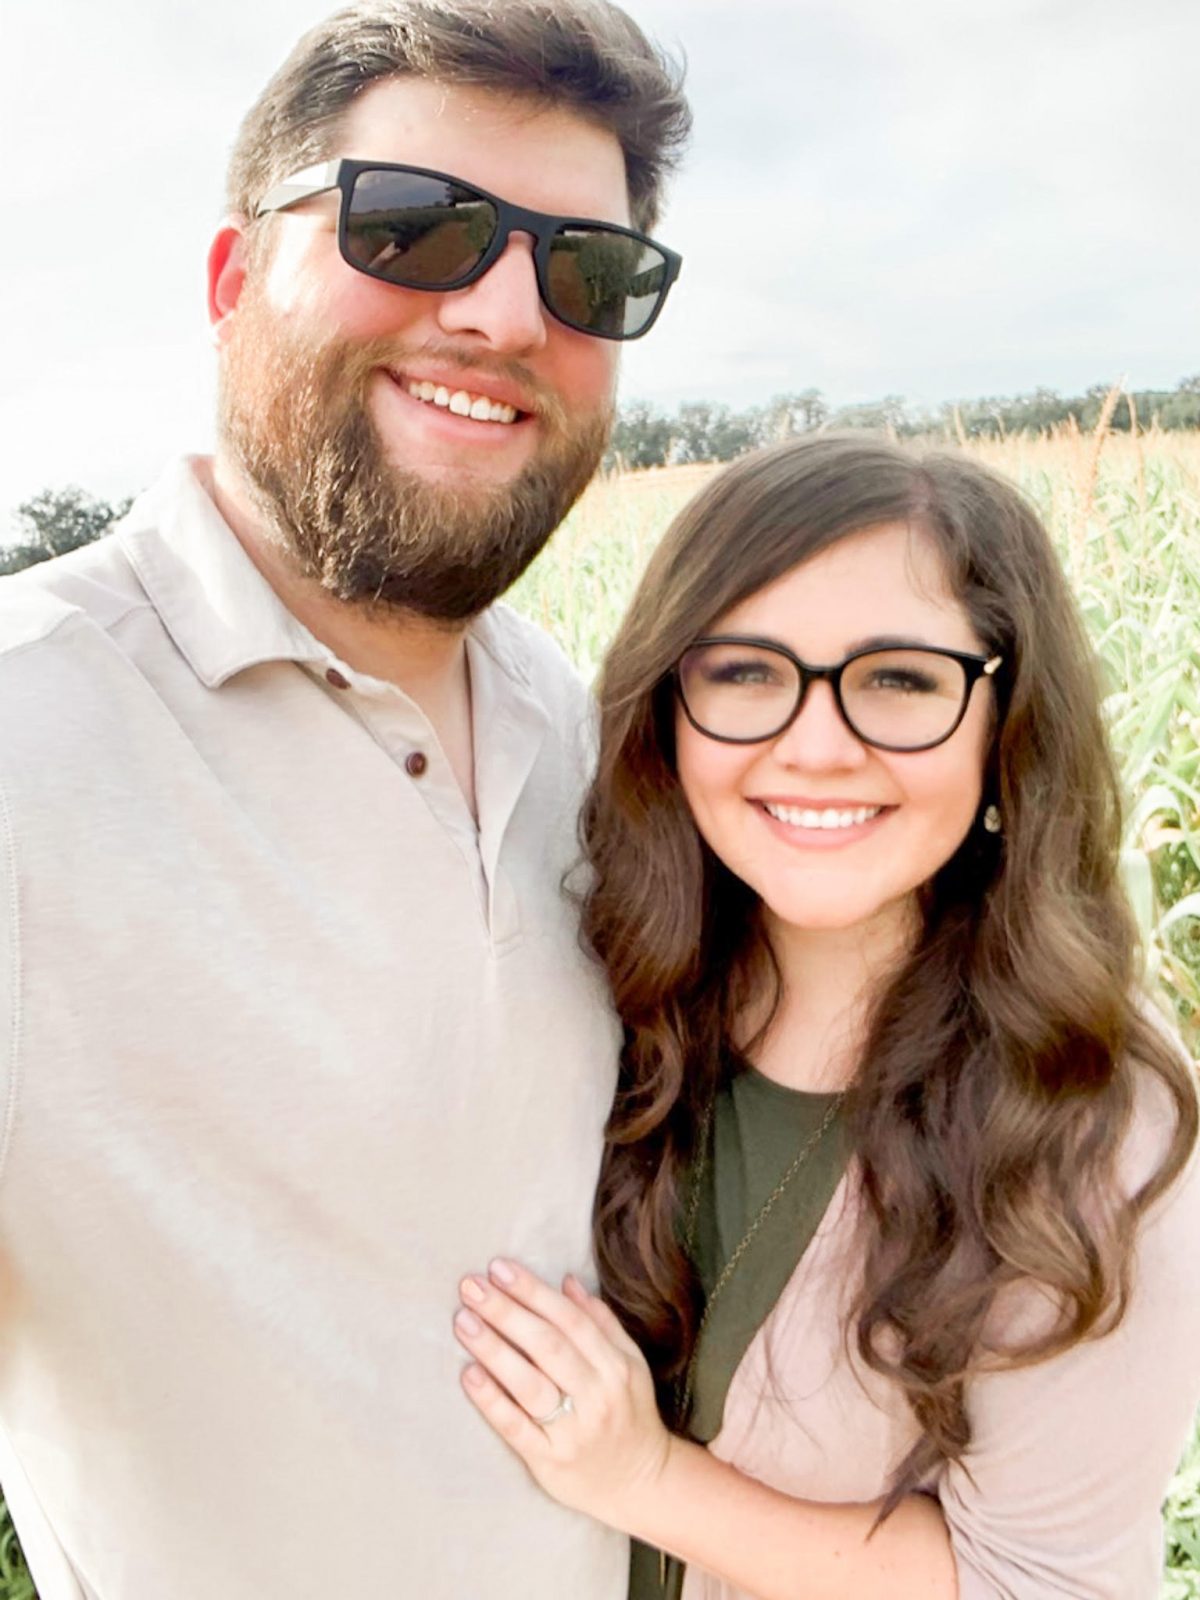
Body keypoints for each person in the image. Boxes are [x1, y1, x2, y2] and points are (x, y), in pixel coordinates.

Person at [0, 3, 688, 1596]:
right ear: (234, 281)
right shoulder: (29, 737)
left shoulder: (589, 734)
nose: (509, 315)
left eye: (588, 271)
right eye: (417, 225)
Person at [452, 435, 1200, 1599]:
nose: (814, 746)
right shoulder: (612, 983)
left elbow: (1042, 1581)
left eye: (900, 678)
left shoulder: (1087, 1102)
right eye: (745, 671)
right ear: (670, 700)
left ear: (1006, 718)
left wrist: (643, 1478)